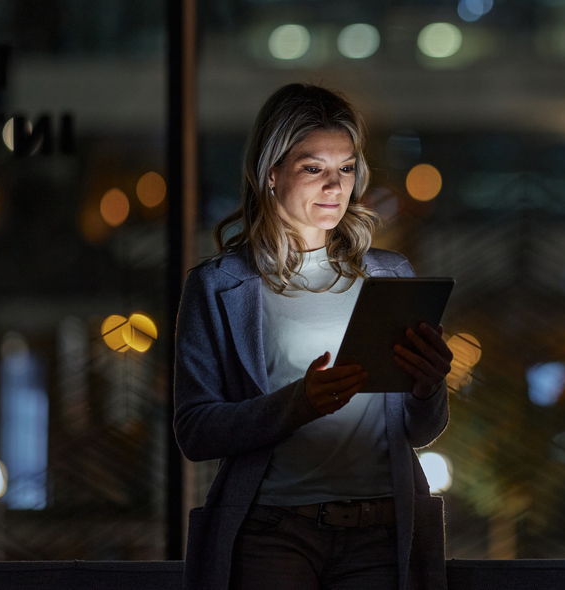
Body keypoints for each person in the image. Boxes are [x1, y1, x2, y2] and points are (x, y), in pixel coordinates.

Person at [174, 83, 452, 590]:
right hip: (271, 531)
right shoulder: (219, 285)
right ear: (271, 173)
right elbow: (195, 432)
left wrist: (429, 386)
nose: (335, 186)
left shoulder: (388, 277)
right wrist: (296, 405)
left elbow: (417, 431)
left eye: (346, 168)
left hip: (382, 529)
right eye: (313, 167)